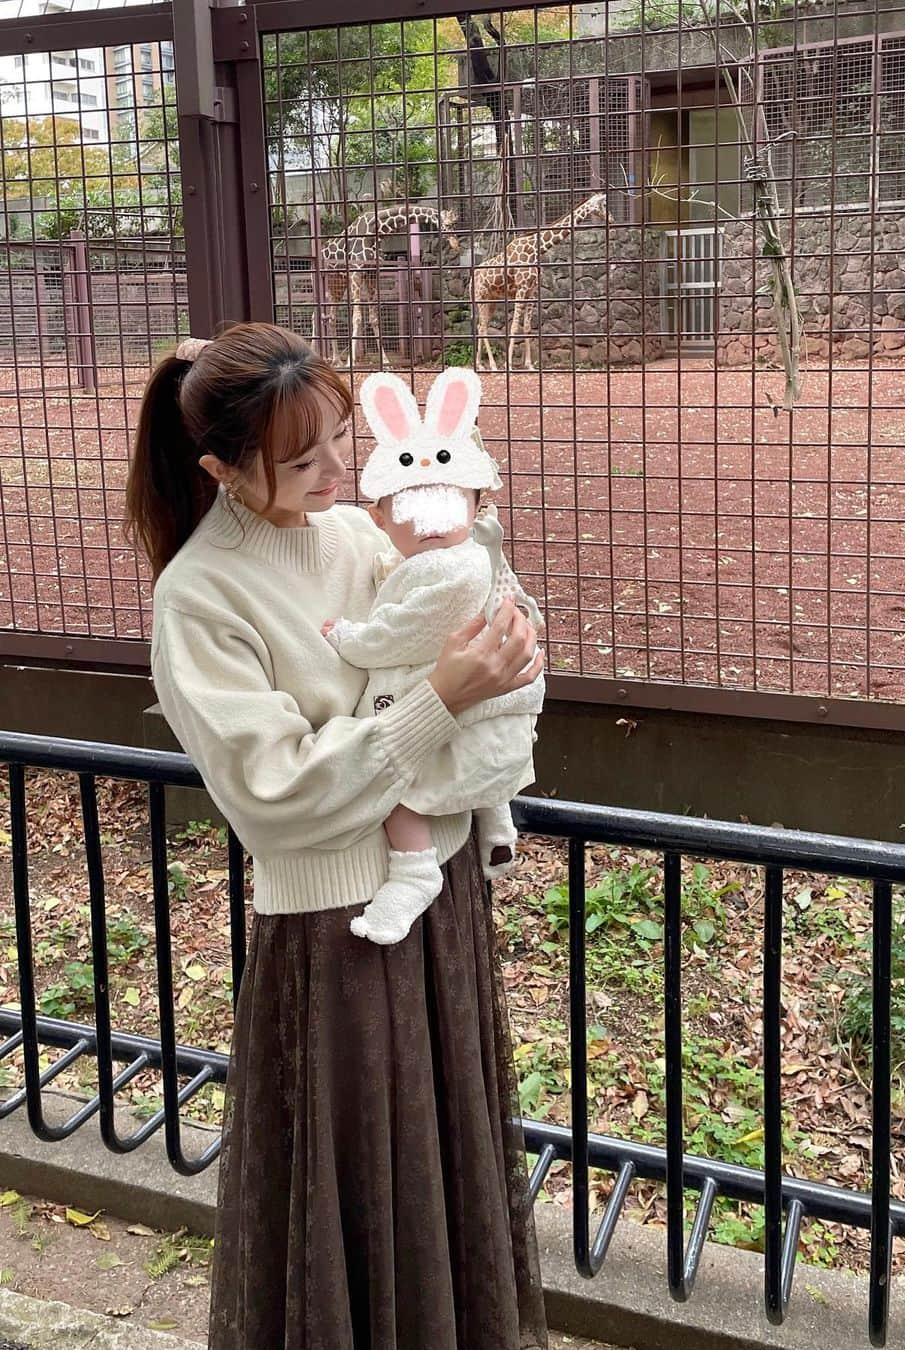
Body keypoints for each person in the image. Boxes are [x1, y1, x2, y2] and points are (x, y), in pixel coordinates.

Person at [125, 322, 548, 1349]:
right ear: (221, 468)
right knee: (362, 1194)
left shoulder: (354, 535)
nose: (335, 474)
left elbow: (458, 605)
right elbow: (275, 796)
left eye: (336, 444)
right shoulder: (200, 599)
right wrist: (444, 698)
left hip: (433, 894)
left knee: (440, 1177)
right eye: (300, 458)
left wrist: (512, 635)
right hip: (336, 932)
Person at [322, 367, 545, 945]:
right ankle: (496, 824)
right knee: (474, 762)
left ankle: (414, 869)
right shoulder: (471, 553)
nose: (429, 523)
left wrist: (348, 637)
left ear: (477, 505)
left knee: (392, 773)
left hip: (473, 702)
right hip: (499, 709)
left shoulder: (450, 569)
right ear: (381, 517)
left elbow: (403, 632)